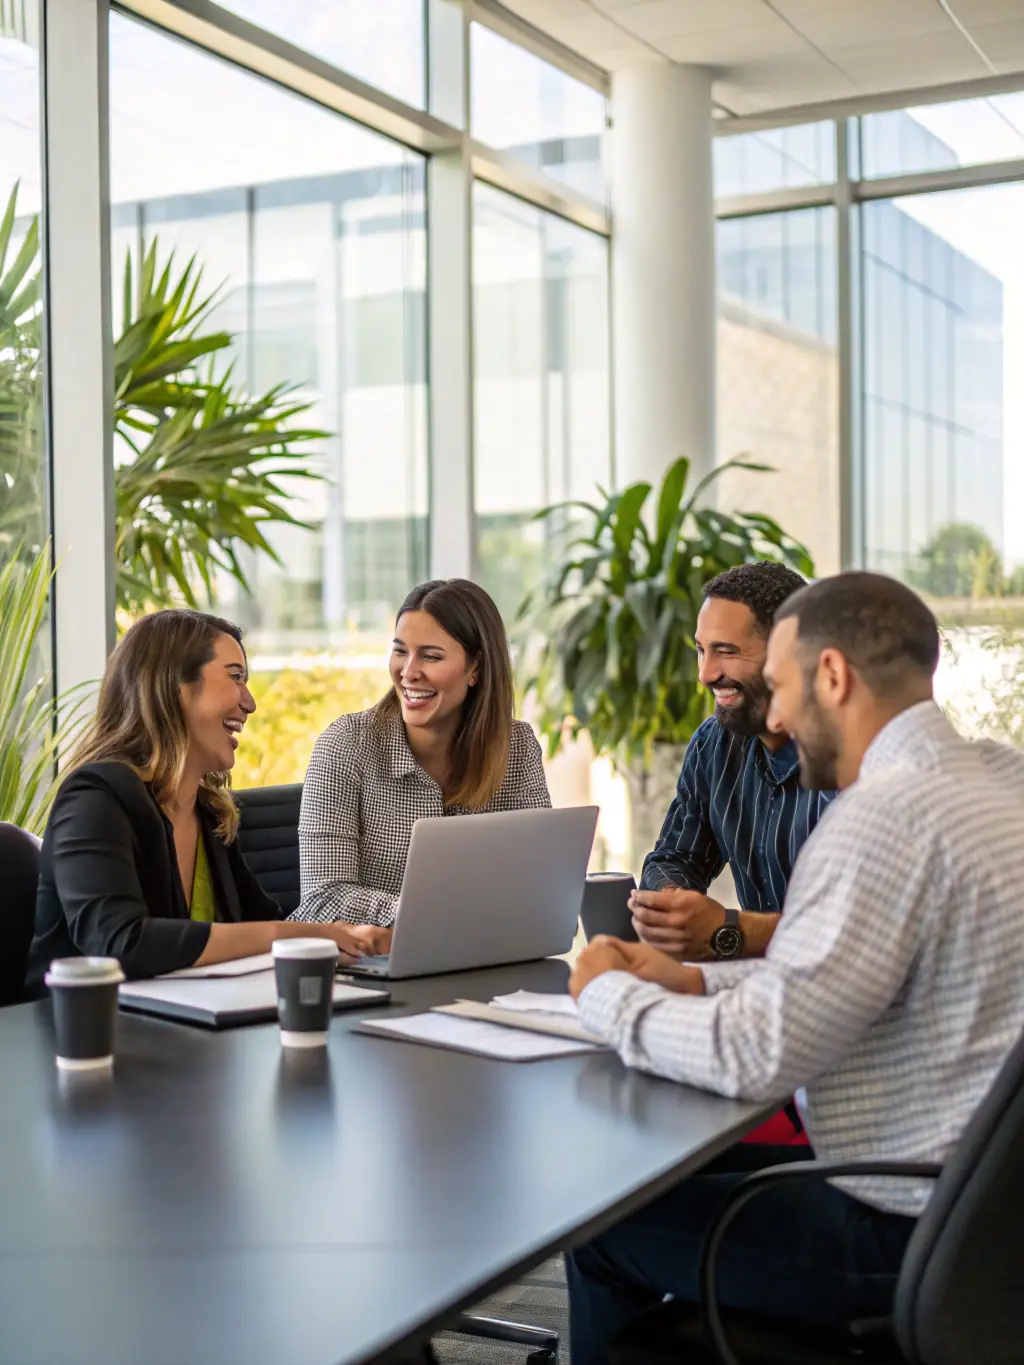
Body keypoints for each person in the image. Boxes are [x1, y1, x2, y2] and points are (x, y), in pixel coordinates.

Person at [564, 572, 1024, 1365]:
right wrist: (695, 978)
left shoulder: (879, 817)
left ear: (834, 677)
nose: (771, 716)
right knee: (656, 1181)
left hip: (905, 1223)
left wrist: (605, 993)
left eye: (777, 687)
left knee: (600, 1222)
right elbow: (856, 970)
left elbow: (752, 1056)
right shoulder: (998, 777)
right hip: (990, 1217)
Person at [26, 610, 385, 991]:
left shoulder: (207, 813)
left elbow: (261, 922)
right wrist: (294, 936)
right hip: (77, 1037)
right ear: (174, 687)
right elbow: (118, 943)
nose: (250, 703)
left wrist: (354, 941)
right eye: (235, 677)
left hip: (176, 1034)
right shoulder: (95, 796)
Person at [295, 578, 551, 927]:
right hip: (371, 971)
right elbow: (322, 899)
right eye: (400, 651)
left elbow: (540, 885)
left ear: (475, 668)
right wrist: (424, 913)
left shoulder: (517, 748)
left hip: (486, 962)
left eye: (430, 656)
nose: (409, 672)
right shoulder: (346, 745)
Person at [631, 561, 835, 963]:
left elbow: (855, 929)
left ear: (788, 655)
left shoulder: (851, 759)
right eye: (701, 651)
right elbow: (674, 857)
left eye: (727, 652)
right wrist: (675, 903)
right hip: (755, 989)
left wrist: (729, 931)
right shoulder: (715, 743)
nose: (706, 674)